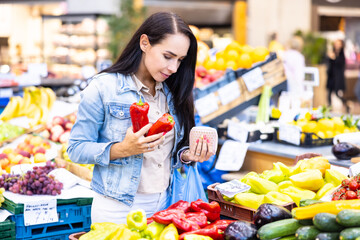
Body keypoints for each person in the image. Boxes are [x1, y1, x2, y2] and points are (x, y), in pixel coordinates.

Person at [67, 12, 214, 224]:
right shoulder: (103, 88)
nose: (174, 68)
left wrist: (187, 155)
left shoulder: (173, 93)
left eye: (180, 60)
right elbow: (76, 148)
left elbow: (166, 155)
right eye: (168, 56)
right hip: (116, 208)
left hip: (166, 205)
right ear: (144, 43)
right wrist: (123, 149)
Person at [282, 36, 306, 108]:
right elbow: (299, 75)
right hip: (294, 86)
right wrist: (301, 93)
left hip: (283, 85)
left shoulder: (284, 54)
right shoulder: (298, 56)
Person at [326, 39, 346, 107]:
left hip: (337, 77)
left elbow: (340, 64)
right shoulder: (332, 52)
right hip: (331, 76)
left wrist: (334, 57)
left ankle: (346, 104)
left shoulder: (341, 54)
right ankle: (329, 107)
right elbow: (329, 63)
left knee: (337, 93)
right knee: (329, 93)